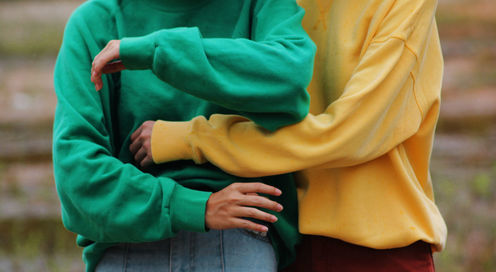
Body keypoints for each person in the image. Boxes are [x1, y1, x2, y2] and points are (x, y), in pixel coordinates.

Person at [129, 0, 448, 271]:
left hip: (382, 253)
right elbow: (252, 97)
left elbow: (348, 134)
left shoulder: (405, 5)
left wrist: (192, 139)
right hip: (280, 244)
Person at [52, 0, 315, 271]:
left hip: (239, 234)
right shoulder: (95, 21)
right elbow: (77, 174)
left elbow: (289, 76)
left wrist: (155, 50)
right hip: (129, 242)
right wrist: (195, 207)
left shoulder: (261, 5)